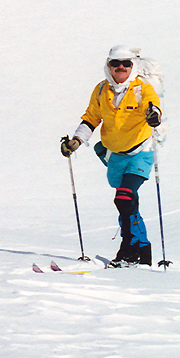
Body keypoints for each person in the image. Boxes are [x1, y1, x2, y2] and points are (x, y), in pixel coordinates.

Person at [61, 46, 162, 267]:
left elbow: (152, 106)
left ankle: (129, 251)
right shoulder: (101, 90)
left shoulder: (141, 89)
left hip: (140, 153)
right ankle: (143, 251)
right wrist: (76, 141)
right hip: (115, 155)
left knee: (124, 198)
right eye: (116, 63)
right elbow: (91, 118)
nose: (121, 67)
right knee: (128, 204)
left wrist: (153, 115)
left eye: (126, 63)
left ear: (133, 66)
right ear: (108, 66)